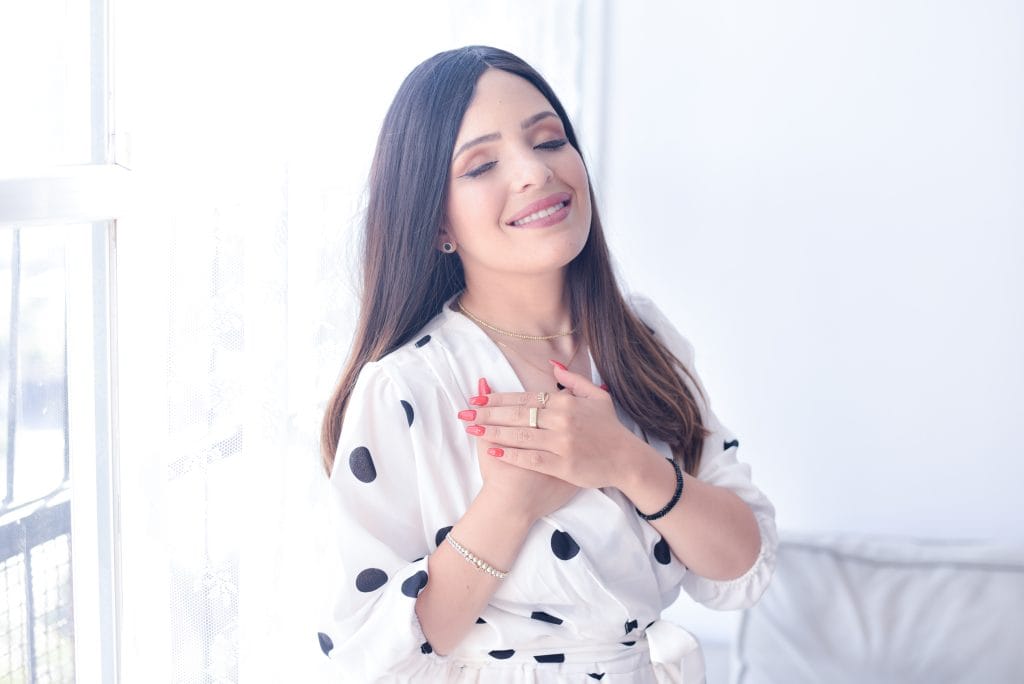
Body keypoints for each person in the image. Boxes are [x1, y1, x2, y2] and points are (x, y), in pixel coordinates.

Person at [316, 45, 776, 682]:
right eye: (481, 165)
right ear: (437, 223)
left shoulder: (641, 338)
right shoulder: (407, 385)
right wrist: (510, 503)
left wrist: (627, 462)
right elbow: (366, 653)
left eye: (550, 140)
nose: (535, 171)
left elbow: (742, 566)